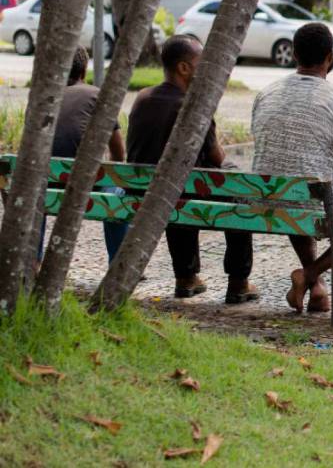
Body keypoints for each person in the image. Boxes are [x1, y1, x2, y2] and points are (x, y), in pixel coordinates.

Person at [251, 22, 333, 313]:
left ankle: (315, 288)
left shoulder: (266, 93)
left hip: (265, 198)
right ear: (330, 57)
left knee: (300, 188)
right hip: (309, 199)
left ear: (295, 55)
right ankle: (310, 275)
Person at [127, 35, 258, 304]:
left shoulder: (141, 98)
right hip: (182, 191)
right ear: (184, 68)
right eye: (202, 63)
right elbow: (217, 156)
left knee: (177, 189)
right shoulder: (193, 106)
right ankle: (239, 281)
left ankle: (185, 278)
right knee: (238, 195)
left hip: (143, 192)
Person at [37, 46, 128, 262]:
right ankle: (118, 262)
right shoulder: (96, 94)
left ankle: (34, 261)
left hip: (46, 182)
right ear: (83, 70)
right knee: (117, 192)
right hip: (86, 182)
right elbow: (118, 151)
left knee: (36, 199)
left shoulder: (45, 98)